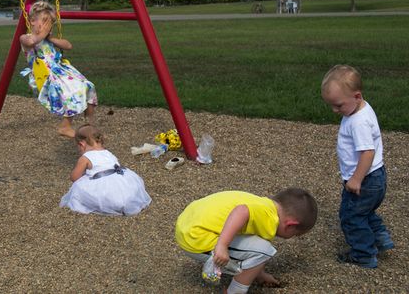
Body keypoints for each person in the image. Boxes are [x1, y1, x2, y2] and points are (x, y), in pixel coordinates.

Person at [175, 188, 317, 293]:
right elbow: (241, 211)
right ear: (290, 225)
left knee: (258, 248)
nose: (293, 237)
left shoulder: (265, 205)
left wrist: (260, 274)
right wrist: (222, 246)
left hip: (186, 223)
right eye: (296, 234)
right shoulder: (269, 218)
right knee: (264, 250)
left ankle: (253, 275)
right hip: (195, 238)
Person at [321, 64, 393, 268]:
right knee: (365, 211)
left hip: (365, 179)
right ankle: (380, 238)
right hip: (376, 176)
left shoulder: (358, 122)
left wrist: (356, 179)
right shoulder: (360, 109)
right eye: (332, 105)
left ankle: (363, 254)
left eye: (338, 105)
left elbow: (367, 152)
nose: (335, 110)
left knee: (351, 216)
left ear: (357, 96)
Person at [19, 0, 97, 138]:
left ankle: (89, 125)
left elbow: (68, 45)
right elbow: (31, 42)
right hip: (45, 76)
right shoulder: (25, 37)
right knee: (72, 91)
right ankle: (65, 127)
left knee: (89, 86)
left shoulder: (49, 39)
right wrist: (42, 34)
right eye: (45, 21)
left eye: (50, 23)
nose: (48, 26)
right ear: (32, 21)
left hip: (61, 71)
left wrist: (52, 38)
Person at [59, 124, 151, 215]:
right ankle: (124, 201)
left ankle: (110, 204)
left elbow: (74, 177)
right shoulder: (108, 153)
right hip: (122, 183)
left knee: (77, 188)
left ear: (82, 144)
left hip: (104, 189)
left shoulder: (85, 157)